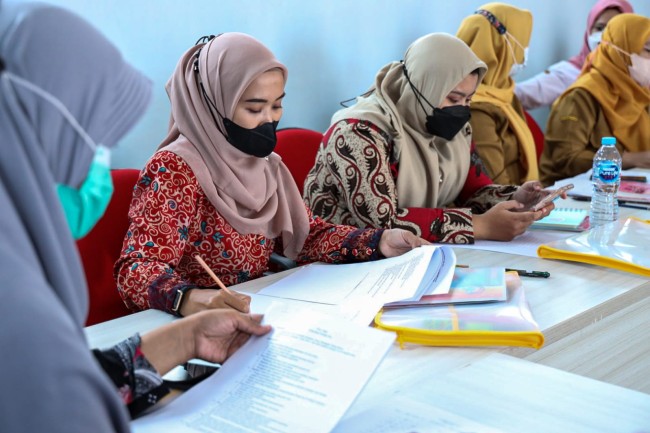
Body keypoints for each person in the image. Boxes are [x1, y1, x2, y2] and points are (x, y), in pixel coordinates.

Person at [0, 3, 274, 431]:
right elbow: (65, 409)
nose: (99, 162)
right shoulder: (13, 299)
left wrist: (187, 338)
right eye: (87, 141)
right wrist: (186, 301)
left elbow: (79, 383)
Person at [115, 33, 428, 317]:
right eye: (254, 109)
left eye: (277, 106)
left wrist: (379, 241)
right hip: (194, 330)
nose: (269, 120)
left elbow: (308, 238)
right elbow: (135, 270)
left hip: (259, 313)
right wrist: (192, 299)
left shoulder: (265, 164)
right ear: (214, 105)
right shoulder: (175, 169)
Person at [302, 33, 554, 245]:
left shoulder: (452, 129)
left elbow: (473, 191)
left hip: (413, 256)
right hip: (337, 260)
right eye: (453, 98)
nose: (462, 109)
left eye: (468, 99)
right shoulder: (358, 133)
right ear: (423, 86)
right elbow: (382, 223)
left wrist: (516, 198)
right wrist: (480, 226)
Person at [540, 13, 650, 186]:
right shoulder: (581, 97)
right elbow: (565, 160)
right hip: (572, 195)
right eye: (648, 49)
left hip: (624, 189)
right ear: (621, 50)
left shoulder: (641, 94)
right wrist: (628, 159)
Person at [456, 3, 537, 186]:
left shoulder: (504, 95)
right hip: (503, 206)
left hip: (519, 198)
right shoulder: (476, 108)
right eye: (522, 43)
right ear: (502, 44)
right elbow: (496, 185)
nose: (524, 50)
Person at [515, 0, 634, 111]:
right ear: (588, 31)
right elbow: (518, 95)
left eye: (614, 29)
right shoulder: (568, 74)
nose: (605, 36)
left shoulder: (639, 78)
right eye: (599, 28)